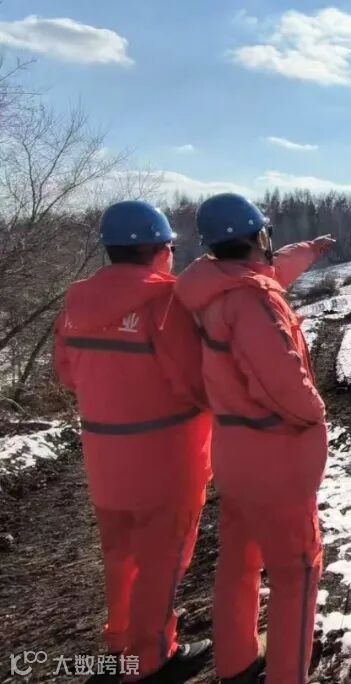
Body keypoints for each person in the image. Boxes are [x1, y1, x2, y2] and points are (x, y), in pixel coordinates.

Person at [174, 193, 333, 684]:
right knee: (298, 572)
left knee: (240, 562)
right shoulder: (252, 301)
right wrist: (315, 414)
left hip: (236, 452)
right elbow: (281, 380)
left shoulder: (213, 287)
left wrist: (310, 249)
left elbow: (269, 271)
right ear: (256, 236)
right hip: (275, 459)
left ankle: (237, 662)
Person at [54, 200, 213, 678]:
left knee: (119, 557)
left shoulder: (77, 304)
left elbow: (68, 374)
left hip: (105, 460)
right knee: (162, 562)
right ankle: (151, 659)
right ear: (159, 250)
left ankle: (121, 644)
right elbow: (197, 383)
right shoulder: (165, 304)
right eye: (170, 248)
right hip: (168, 461)